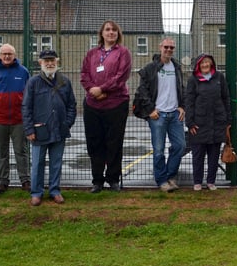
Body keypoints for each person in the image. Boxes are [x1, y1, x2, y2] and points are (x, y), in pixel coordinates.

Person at [80, 20, 132, 193]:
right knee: (95, 143)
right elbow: (84, 74)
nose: (111, 32)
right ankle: (97, 181)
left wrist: (102, 89)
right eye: (107, 30)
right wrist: (92, 90)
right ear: (101, 33)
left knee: (114, 143)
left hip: (116, 104)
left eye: (114, 30)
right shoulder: (91, 54)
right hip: (93, 105)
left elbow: (120, 76)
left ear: (118, 34)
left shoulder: (123, 53)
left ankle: (113, 179)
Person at [22, 50, 76, 206]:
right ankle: (36, 193)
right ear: (40, 63)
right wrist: (29, 129)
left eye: (52, 60)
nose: (50, 63)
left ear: (57, 61)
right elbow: (26, 107)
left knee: (56, 162)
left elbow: (71, 105)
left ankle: (55, 191)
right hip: (40, 130)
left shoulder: (65, 81)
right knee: (37, 163)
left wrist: (67, 123)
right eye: (46, 61)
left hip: (60, 129)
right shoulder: (33, 82)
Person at [134, 37, 186, 192]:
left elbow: (181, 88)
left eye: (171, 47)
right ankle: (162, 180)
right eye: (166, 47)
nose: (169, 50)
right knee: (158, 150)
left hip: (175, 114)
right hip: (158, 115)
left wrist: (182, 106)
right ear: (160, 47)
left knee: (180, 146)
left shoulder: (176, 67)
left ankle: (170, 176)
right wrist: (151, 110)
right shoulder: (151, 68)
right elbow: (142, 90)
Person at [0, 43, 31, 194]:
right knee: (1, 152)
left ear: (14, 55)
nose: (7, 56)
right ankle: (3, 181)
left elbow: (28, 93)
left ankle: (25, 180)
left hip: (19, 119)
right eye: (4, 54)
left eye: (9, 54)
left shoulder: (23, 72)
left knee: (21, 151)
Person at [184, 53, 231, 191]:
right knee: (198, 155)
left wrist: (228, 119)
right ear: (198, 65)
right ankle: (197, 182)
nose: (205, 65)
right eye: (202, 63)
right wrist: (190, 122)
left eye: (207, 62)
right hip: (199, 124)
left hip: (217, 122)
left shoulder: (219, 78)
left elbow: (225, 98)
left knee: (214, 155)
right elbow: (189, 101)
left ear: (212, 63)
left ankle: (211, 181)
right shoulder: (193, 80)